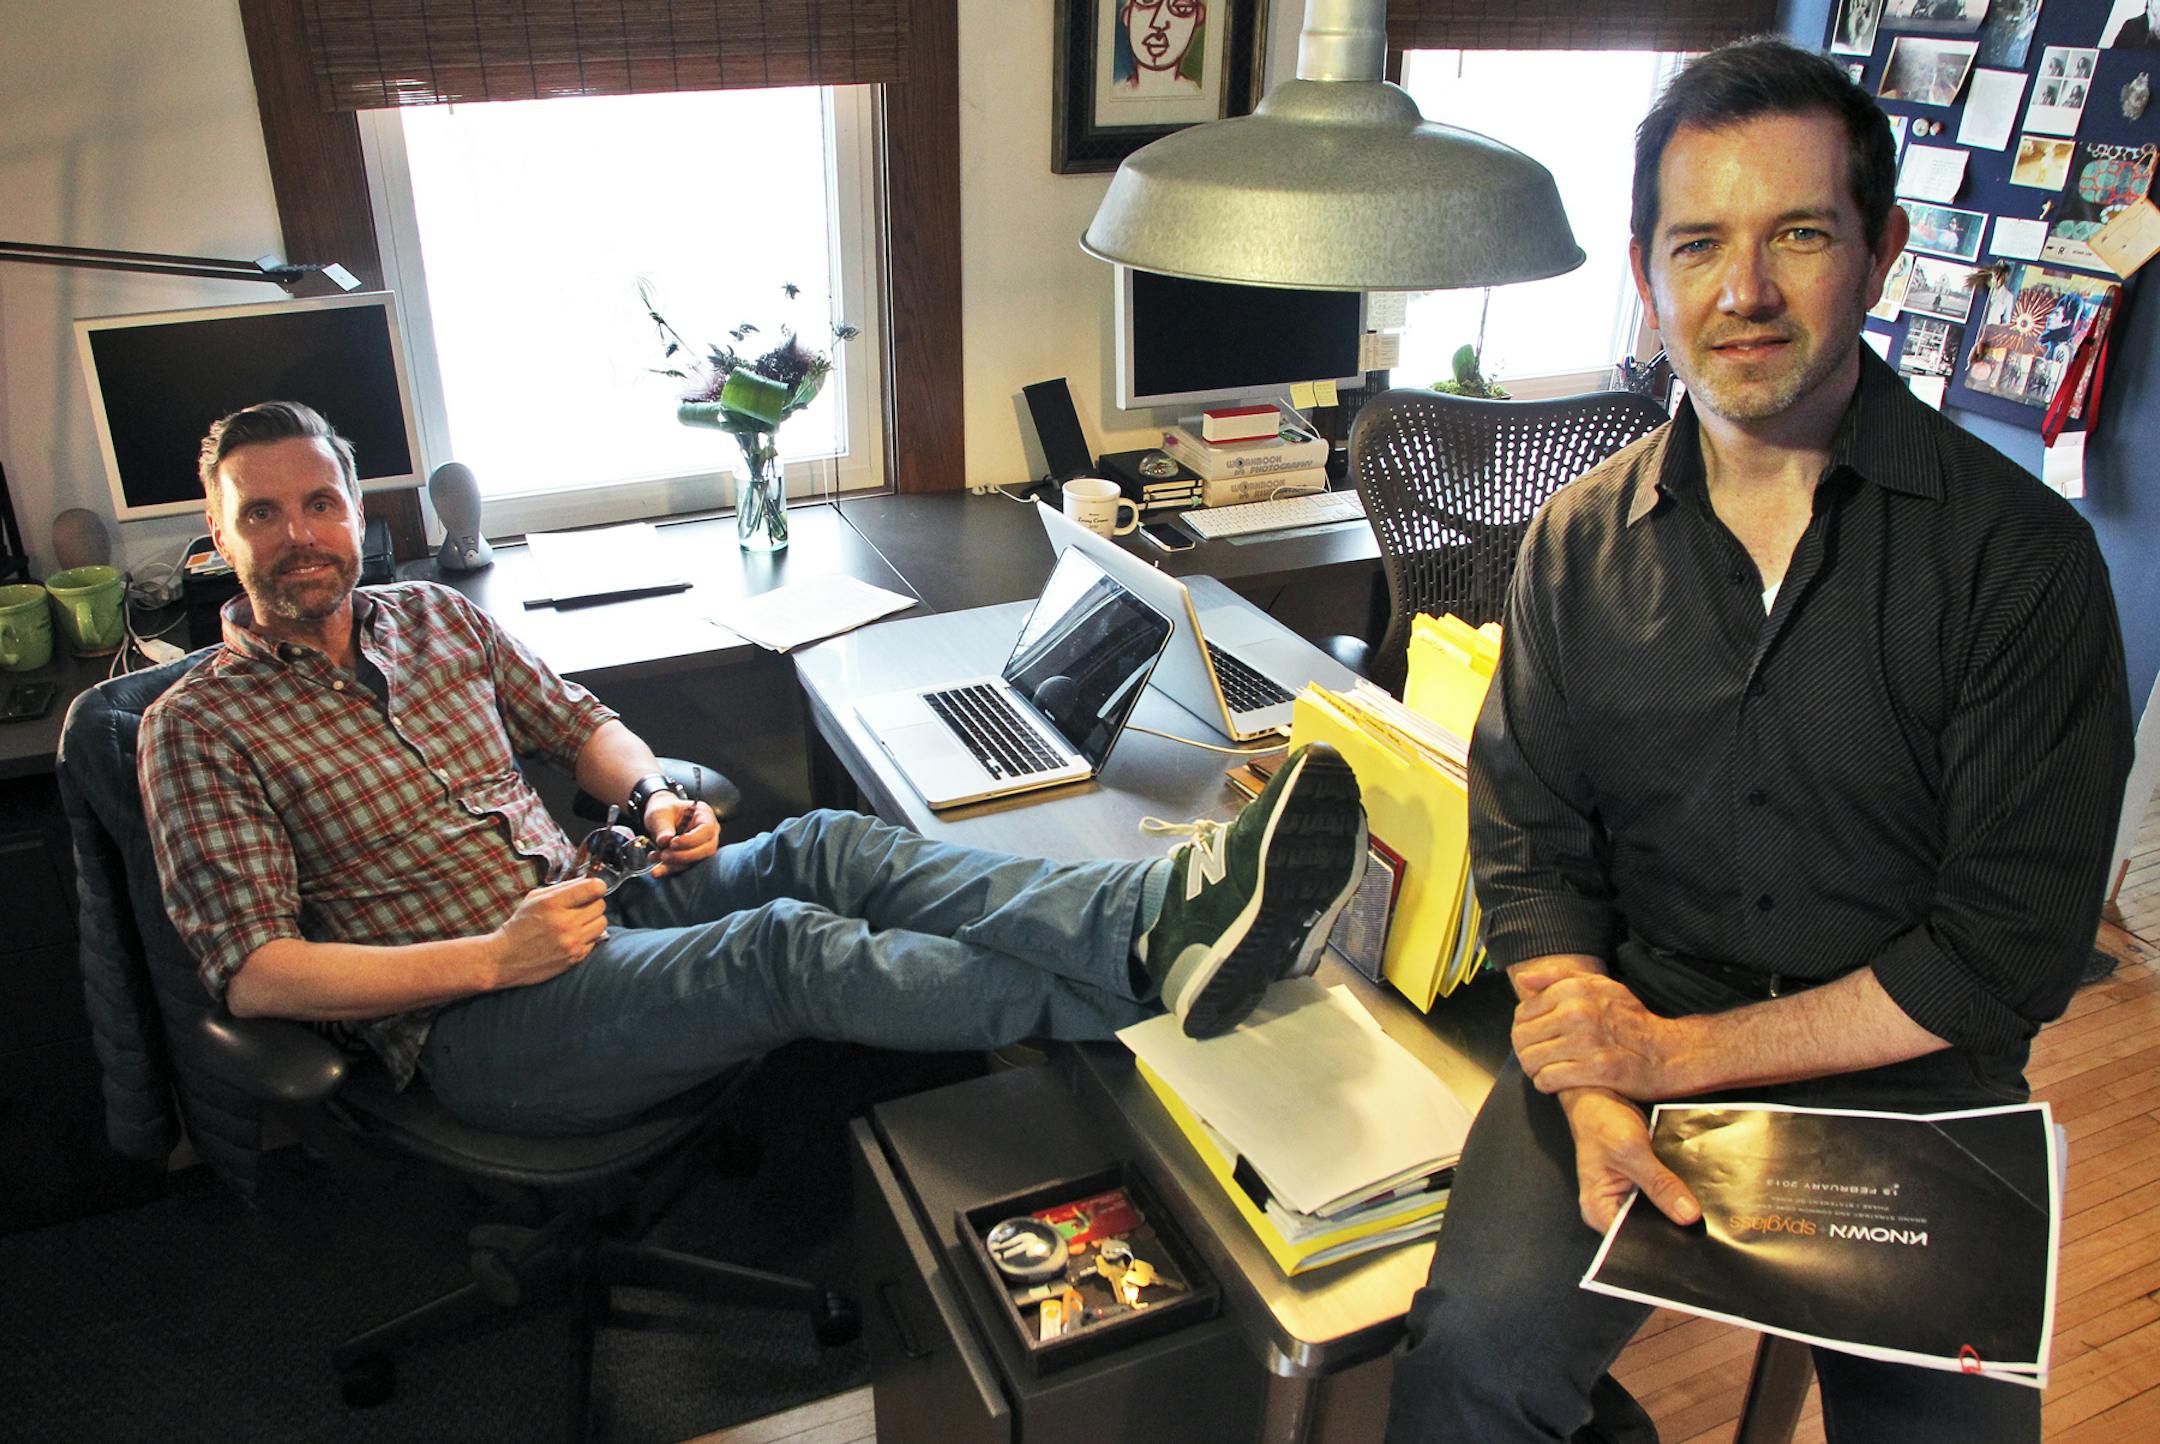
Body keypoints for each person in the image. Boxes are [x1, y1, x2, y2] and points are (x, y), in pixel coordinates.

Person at [1385, 39, 2130, 1444]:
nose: (1744, 293)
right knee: (1472, 1368)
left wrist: (1673, 1062)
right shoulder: (1573, 547)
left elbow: (2005, 951)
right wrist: (1598, 1064)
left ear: (1882, 248)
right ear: (1645, 268)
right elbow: (1530, 842)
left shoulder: (2024, 564)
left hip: (1908, 1077)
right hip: (1635, 1023)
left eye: (1797, 234)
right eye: (1699, 244)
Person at [140, 400, 1368, 1137]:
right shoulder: (198, 724)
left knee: (830, 842)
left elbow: (580, 724)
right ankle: (1161, 987)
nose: (298, 536)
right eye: (263, 515)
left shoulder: (432, 618)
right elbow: (255, 977)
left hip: (598, 904)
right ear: (218, 535)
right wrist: (490, 957)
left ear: (358, 509)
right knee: (782, 940)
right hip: (472, 1018)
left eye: (319, 504)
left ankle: (1155, 914)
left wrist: (651, 794)